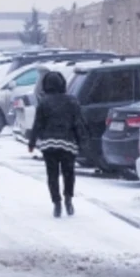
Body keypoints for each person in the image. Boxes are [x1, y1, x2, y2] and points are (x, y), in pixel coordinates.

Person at [27, 71, 87, 218]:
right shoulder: (72, 101)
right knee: (69, 173)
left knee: (52, 175)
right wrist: (82, 142)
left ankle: (57, 203)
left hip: (49, 144)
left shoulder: (43, 102)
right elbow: (78, 123)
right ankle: (68, 198)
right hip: (68, 144)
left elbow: (38, 124)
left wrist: (32, 142)